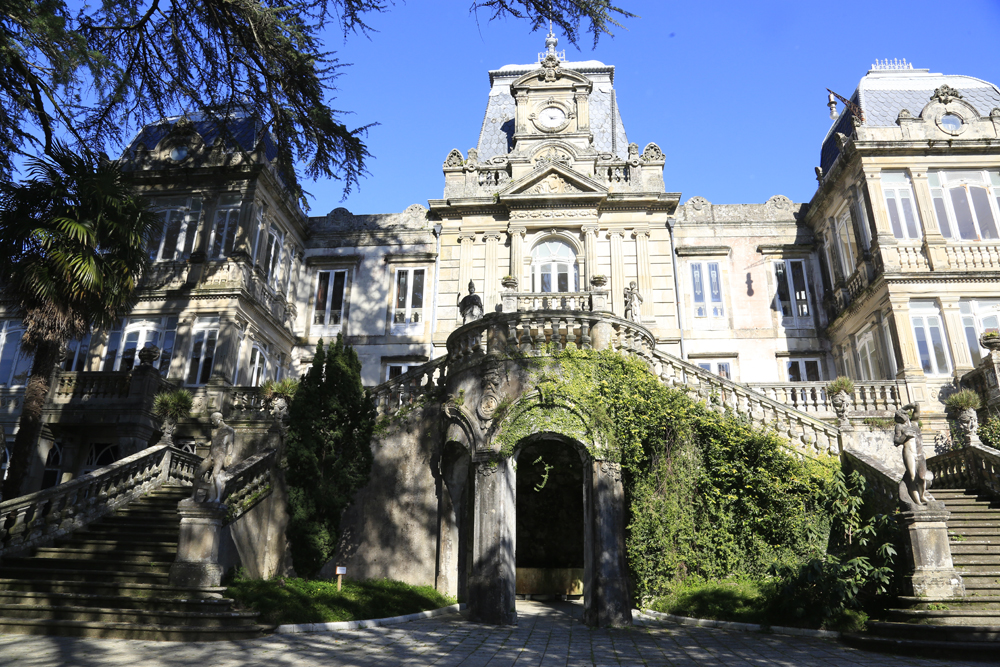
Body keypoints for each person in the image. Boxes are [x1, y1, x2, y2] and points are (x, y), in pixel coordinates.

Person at [894, 403, 934, 506]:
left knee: (922, 477)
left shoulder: (915, 423)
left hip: (920, 453)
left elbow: (916, 405)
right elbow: (896, 441)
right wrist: (904, 435)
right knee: (912, 477)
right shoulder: (899, 427)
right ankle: (917, 501)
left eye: (902, 415)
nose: (900, 417)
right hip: (909, 452)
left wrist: (904, 408)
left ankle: (922, 495)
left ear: (906, 415)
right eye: (898, 416)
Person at [193, 412, 235, 503]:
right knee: (198, 474)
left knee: (216, 475)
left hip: (220, 455)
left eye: (213, 420)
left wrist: (229, 456)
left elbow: (230, 444)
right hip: (210, 455)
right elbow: (212, 442)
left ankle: (218, 498)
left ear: (218, 418)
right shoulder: (214, 431)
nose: (212, 423)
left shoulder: (229, 430)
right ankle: (193, 497)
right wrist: (203, 444)